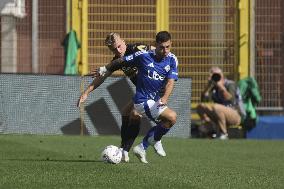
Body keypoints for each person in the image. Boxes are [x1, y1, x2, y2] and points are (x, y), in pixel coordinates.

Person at [77, 32, 166, 162]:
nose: (118, 50)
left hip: (156, 89)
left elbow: (156, 50)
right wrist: (86, 93)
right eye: (113, 49)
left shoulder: (137, 49)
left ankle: (148, 142)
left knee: (136, 113)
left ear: (123, 42)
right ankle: (125, 149)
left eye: (119, 46)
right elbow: (101, 77)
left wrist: (164, 63)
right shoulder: (118, 61)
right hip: (144, 92)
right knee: (126, 111)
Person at [95, 31, 178, 163]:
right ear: (156, 45)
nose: (165, 50)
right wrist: (103, 69)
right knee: (167, 117)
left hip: (155, 96)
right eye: (161, 47)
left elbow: (170, 81)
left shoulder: (170, 58)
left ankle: (140, 146)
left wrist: (165, 97)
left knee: (165, 120)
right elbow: (120, 62)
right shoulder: (140, 55)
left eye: (167, 47)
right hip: (143, 98)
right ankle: (133, 148)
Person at [196, 66, 244, 139]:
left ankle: (223, 133)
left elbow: (231, 100)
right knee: (200, 107)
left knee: (216, 107)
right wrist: (208, 86)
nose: (215, 77)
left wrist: (221, 87)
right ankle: (211, 129)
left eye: (217, 75)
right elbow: (204, 101)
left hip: (235, 114)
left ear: (222, 75)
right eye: (213, 76)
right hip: (219, 114)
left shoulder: (230, 84)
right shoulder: (213, 87)